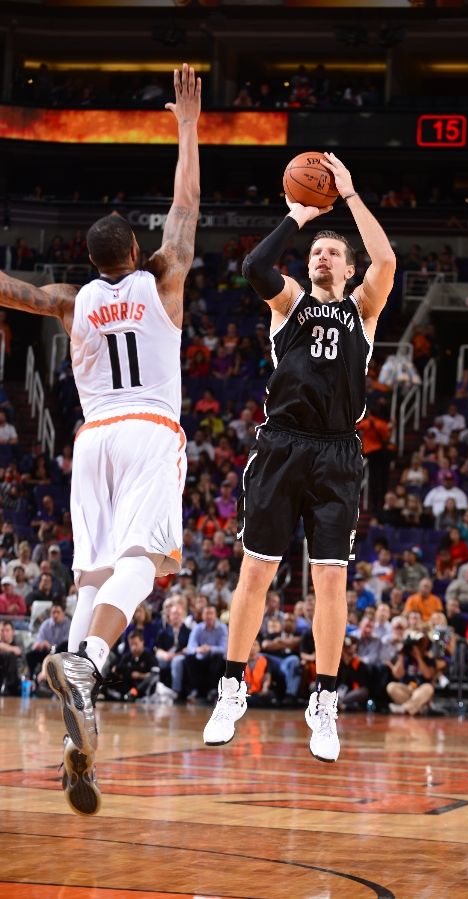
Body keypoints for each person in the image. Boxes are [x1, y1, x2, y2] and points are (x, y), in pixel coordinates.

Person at [0, 64, 201, 816]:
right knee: (145, 566)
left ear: (90, 262)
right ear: (138, 250)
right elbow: (185, 204)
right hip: (150, 428)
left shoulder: (65, 301)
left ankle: (73, 738)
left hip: (92, 440)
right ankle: (87, 661)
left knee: (91, 580)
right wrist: (185, 124)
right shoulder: (166, 276)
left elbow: (9, 287)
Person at [203, 151, 396, 762]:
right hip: (281, 444)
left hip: (338, 453)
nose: (321, 256)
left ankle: (325, 701)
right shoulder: (288, 303)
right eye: (317, 250)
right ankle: (232, 688)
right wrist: (299, 216)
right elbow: (255, 264)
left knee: (331, 579)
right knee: (256, 571)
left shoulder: (361, 311)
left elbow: (387, 260)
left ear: (348, 265)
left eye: (333, 252)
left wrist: (351, 194)